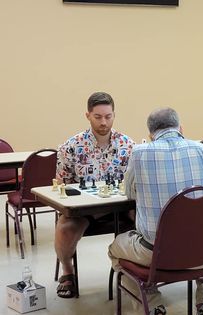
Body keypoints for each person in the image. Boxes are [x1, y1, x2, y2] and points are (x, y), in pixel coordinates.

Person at [108, 107, 203, 315]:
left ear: (151, 135)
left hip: (156, 253)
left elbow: (129, 193)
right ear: (180, 128)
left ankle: (153, 303)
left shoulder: (138, 153)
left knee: (115, 248)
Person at [55, 92, 135, 298]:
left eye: (108, 116)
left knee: (148, 220)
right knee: (65, 229)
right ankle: (67, 271)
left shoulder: (128, 145)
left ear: (114, 115)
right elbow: (61, 185)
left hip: (121, 207)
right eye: (98, 117)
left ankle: (137, 271)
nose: (103, 122)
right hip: (85, 210)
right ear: (87, 115)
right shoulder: (71, 147)